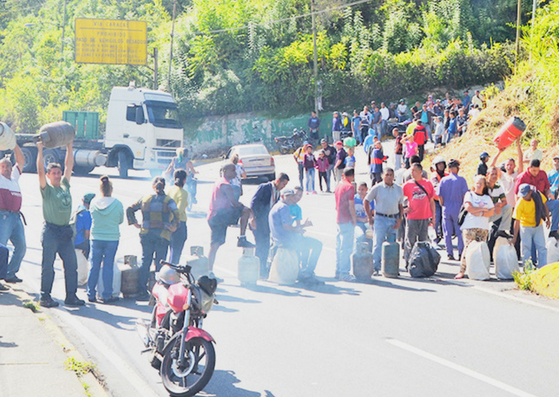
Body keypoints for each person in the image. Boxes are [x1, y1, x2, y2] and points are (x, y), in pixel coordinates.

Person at [37, 140, 84, 308]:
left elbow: (69, 164)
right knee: (48, 266)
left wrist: (70, 146)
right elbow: (40, 170)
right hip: (51, 231)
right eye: (54, 173)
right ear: (49, 176)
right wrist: (40, 150)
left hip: (64, 232)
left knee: (71, 265)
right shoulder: (47, 189)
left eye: (58, 173)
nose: (57, 175)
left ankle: (71, 296)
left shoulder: (65, 185)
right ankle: (45, 296)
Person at [127, 177, 180, 300]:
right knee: (160, 263)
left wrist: (134, 223)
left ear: (153, 186)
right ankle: (158, 291)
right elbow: (177, 214)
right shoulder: (168, 200)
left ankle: (141, 290)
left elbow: (130, 209)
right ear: (164, 186)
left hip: (146, 234)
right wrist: (174, 227)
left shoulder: (145, 198)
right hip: (163, 235)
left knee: (145, 261)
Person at [207, 163, 255, 277]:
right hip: (218, 216)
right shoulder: (225, 184)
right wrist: (247, 209)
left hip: (220, 215)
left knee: (216, 244)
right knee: (214, 245)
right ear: (226, 171)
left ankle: (209, 271)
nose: (235, 173)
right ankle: (242, 238)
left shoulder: (221, 181)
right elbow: (234, 202)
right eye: (233, 170)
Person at [269, 188, 323, 285]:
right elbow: (286, 227)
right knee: (317, 244)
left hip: (280, 239)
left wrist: (301, 227)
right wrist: (299, 229)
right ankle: (308, 273)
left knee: (304, 243)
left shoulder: (276, 206)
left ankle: (301, 271)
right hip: (287, 240)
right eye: (288, 196)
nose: (290, 198)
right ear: (282, 196)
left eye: (292, 196)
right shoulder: (284, 207)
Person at [88, 176, 124, 304]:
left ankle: (91, 293)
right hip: (112, 238)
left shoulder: (93, 202)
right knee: (108, 266)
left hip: (96, 237)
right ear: (111, 189)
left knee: (94, 266)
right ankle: (107, 294)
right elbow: (120, 220)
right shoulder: (117, 203)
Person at [364, 168, 404, 275]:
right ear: (383, 176)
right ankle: (375, 266)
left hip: (393, 218)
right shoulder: (377, 188)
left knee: (392, 244)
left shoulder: (398, 189)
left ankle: (390, 267)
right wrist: (369, 217)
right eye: (387, 175)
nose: (389, 177)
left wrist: (399, 220)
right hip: (380, 219)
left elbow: (401, 206)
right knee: (378, 243)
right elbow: (366, 201)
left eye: (391, 175)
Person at [455, 175, 495, 279]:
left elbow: (491, 211)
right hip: (470, 226)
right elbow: (469, 208)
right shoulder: (469, 195)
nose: (479, 185)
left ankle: (479, 270)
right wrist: (483, 210)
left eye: (481, 183)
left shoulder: (487, 198)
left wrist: (479, 212)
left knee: (480, 249)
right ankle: (462, 271)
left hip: (483, 227)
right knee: (468, 248)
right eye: (477, 183)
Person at [250, 173, 289, 278]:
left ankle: (262, 269)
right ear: (278, 181)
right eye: (283, 184)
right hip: (258, 221)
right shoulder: (265, 187)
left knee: (266, 246)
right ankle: (257, 270)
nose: (283, 186)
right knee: (260, 246)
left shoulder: (277, 192)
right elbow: (253, 203)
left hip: (267, 223)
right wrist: (252, 218)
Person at [0, 145, 26, 284]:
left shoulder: (14, 178)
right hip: (3, 216)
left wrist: (14, 144)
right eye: (3, 166)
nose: (6, 169)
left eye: (8, 166)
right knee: (1, 248)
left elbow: (21, 161)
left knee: (21, 246)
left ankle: (10, 273)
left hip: (16, 217)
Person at [515, 159, 559, 239]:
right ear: (529, 168)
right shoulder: (522, 177)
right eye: (534, 170)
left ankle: (554, 230)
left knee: (557, 204)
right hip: (529, 206)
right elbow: (517, 195)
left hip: (543, 203)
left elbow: (547, 188)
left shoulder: (542, 174)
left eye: (537, 170)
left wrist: (549, 193)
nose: (536, 173)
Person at [402, 163, 436, 266]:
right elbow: (398, 198)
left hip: (425, 217)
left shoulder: (427, 184)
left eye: (414, 171)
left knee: (423, 242)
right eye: (411, 171)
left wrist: (433, 218)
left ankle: (422, 262)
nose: (412, 173)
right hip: (412, 217)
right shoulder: (407, 185)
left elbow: (432, 201)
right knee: (410, 241)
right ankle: (408, 262)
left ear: (420, 172)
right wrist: (404, 209)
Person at [511, 184, 549, 268]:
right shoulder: (520, 203)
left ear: (530, 192)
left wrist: (547, 219)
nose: (523, 197)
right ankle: (527, 268)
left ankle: (542, 267)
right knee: (526, 248)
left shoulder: (538, 195)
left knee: (542, 247)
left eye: (525, 194)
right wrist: (515, 237)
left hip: (537, 225)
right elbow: (517, 221)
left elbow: (545, 204)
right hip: (525, 227)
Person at [438, 159, 469, 261]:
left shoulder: (443, 180)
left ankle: (449, 253)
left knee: (447, 232)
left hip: (446, 207)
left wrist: (443, 205)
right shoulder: (461, 180)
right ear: (457, 168)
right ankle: (460, 252)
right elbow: (465, 195)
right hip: (458, 208)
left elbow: (440, 196)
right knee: (459, 231)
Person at [334, 168, 357, 281]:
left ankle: (338, 271)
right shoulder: (350, 187)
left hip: (339, 218)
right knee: (346, 248)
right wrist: (354, 219)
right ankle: (344, 272)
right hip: (346, 219)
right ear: (352, 176)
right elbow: (351, 205)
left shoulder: (339, 185)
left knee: (339, 247)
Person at [491, 139, 524, 208]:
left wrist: (518, 144)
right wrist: (499, 152)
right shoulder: (502, 175)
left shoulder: (517, 174)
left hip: (514, 207)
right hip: (503, 206)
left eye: (511, 165)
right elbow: (492, 166)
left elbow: (520, 160)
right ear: (504, 166)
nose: (509, 167)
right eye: (507, 165)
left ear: (514, 166)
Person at [167, 170, 189, 264]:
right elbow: (178, 211)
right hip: (178, 224)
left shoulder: (169, 189)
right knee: (176, 252)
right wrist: (175, 225)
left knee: (170, 249)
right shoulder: (183, 193)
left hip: (167, 223)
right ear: (184, 180)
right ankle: (171, 272)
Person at [486, 166, 514, 238]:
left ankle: (502, 230)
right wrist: (494, 206)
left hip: (493, 212)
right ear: (487, 175)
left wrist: (500, 205)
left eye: (496, 174)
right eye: (492, 174)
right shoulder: (484, 186)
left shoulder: (498, 187)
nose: (495, 176)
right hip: (482, 213)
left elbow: (505, 201)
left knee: (508, 207)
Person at [430, 156, 448, 245]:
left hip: (446, 201)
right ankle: (435, 238)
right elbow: (436, 186)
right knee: (436, 219)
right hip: (436, 201)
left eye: (442, 164)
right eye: (439, 164)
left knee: (445, 220)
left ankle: (444, 236)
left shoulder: (447, 175)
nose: (441, 166)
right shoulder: (434, 176)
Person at [73, 193, 95, 260]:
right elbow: (87, 234)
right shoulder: (87, 214)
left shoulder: (79, 209)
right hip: (80, 242)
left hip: (72, 240)